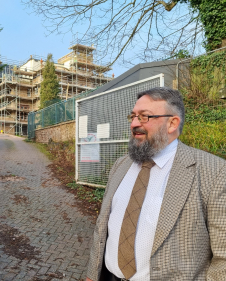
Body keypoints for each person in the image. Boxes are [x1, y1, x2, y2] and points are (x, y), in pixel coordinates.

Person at [86, 87, 226, 281]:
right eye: (133, 116)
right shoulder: (120, 165)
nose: (134, 124)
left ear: (172, 123)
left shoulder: (214, 171)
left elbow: (223, 258)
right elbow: (103, 227)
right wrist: (92, 275)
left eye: (144, 117)